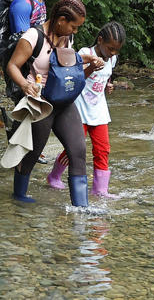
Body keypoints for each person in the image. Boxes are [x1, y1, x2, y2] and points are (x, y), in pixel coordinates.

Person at [4, 0, 104, 206]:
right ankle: (19, 198)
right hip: (41, 102)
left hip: (64, 102)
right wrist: (24, 85)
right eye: (73, 27)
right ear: (61, 20)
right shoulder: (33, 37)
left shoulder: (67, 39)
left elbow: (70, 73)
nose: (75, 31)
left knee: (78, 151)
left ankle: (81, 208)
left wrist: (91, 67)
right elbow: (12, 65)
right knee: (32, 154)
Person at [46, 22, 126, 198]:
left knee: (103, 149)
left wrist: (108, 85)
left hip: (99, 112)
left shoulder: (112, 59)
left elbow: (105, 76)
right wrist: (91, 67)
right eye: (110, 48)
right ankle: (54, 176)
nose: (113, 53)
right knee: (74, 149)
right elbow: (75, 78)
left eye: (116, 50)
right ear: (100, 40)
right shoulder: (85, 53)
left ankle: (100, 189)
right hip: (80, 110)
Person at [8, 0, 63, 163]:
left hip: (36, 67)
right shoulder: (22, 3)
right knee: (24, 107)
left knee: (34, 109)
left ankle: (30, 150)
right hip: (22, 66)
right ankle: (19, 154)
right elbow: (22, 40)